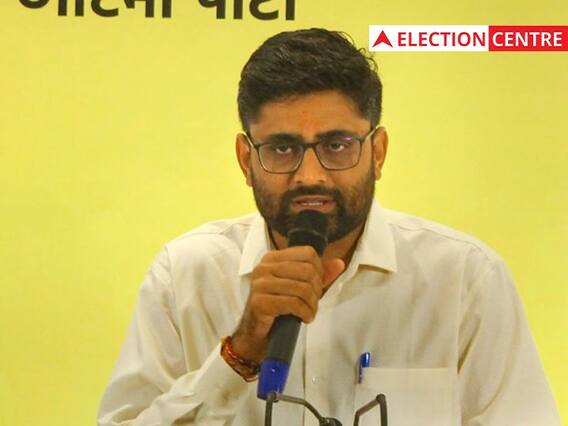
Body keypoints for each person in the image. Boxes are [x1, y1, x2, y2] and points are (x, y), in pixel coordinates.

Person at [98, 28, 559, 425]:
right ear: (245, 159)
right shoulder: (185, 275)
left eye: (336, 145)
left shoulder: (464, 279)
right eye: (282, 148)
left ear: (377, 152)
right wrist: (238, 355)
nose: (310, 175)